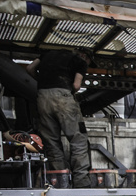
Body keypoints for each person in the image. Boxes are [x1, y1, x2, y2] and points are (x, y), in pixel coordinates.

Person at [26, 48, 93, 188]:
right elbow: (76, 85)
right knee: (78, 139)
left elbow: (30, 68)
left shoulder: (47, 54)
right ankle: (81, 181)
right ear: (84, 56)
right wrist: (68, 91)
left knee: (51, 141)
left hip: (42, 97)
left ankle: (60, 180)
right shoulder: (80, 61)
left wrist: (42, 83)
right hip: (63, 97)